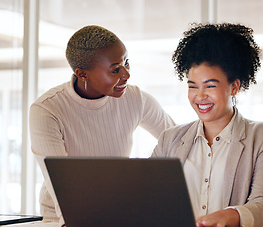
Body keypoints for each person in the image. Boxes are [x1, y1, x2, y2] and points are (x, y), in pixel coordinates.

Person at [30, 25, 175, 223]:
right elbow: (60, 183)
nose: (126, 75)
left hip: (118, 210)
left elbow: (179, 141)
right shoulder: (47, 110)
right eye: (115, 69)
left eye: (127, 63)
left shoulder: (136, 98)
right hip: (63, 215)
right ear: (83, 74)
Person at [151, 23, 263, 227]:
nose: (200, 96)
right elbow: (148, 195)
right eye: (193, 87)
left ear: (234, 87)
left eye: (210, 86)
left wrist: (231, 216)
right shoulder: (170, 139)